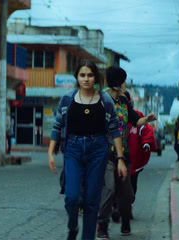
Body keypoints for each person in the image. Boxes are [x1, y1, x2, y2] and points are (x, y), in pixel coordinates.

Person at [48, 60, 127, 240]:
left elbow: (115, 130)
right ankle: (73, 226)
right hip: (73, 150)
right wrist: (50, 153)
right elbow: (57, 125)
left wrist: (120, 159)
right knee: (72, 197)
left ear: (96, 78)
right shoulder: (68, 99)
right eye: (82, 75)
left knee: (92, 201)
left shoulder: (105, 101)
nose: (86, 79)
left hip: (98, 151)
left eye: (90, 75)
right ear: (77, 77)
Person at [97, 66, 157, 239]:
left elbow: (135, 120)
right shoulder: (101, 100)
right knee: (108, 189)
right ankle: (102, 225)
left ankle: (125, 221)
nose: (125, 84)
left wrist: (148, 119)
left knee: (127, 194)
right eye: (123, 81)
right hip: (106, 154)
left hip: (125, 155)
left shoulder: (123, 101)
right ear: (118, 81)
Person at [128, 110, 157, 199]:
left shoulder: (135, 114)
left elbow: (146, 129)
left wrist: (147, 143)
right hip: (116, 157)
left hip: (133, 161)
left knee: (132, 183)